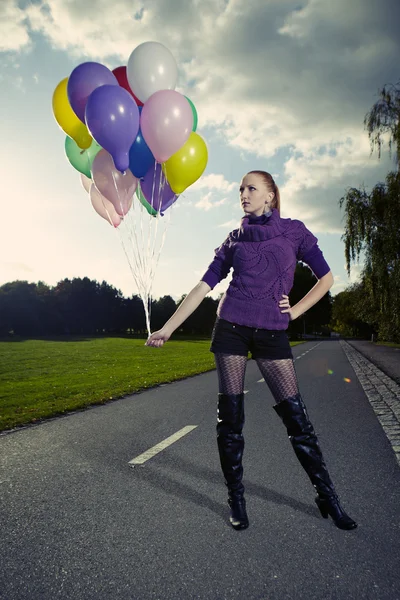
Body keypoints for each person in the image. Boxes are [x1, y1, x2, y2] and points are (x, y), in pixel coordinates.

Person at [145, 170, 357, 532]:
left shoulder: (294, 232)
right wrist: (168, 327)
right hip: (231, 328)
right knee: (231, 420)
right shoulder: (234, 240)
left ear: (270, 196)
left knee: (297, 420)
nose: (243, 193)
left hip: (272, 333)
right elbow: (202, 286)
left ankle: (328, 497)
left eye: (251, 188)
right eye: (240, 188)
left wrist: (297, 311)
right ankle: (237, 500)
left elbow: (327, 278)